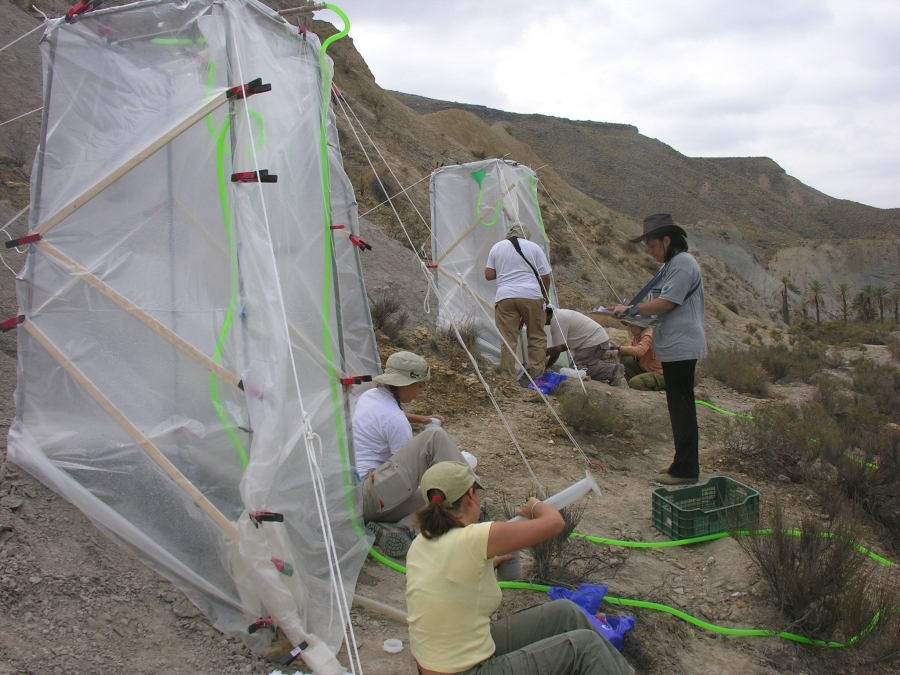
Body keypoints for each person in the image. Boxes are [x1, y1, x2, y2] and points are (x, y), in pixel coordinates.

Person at [406, 461, 634, 675]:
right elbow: (555, 524)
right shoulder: (474, 537)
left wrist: (489, 564)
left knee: (566, 612)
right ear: (469, 497)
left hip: (444, 661)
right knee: (586, 647)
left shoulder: (422, 542)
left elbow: (448, 577)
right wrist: (537, 507)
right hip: (467, 670)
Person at [613, 214, 706, 486]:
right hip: (676, 344)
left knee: (682, 405)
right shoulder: (674, 265)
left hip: (682, 344)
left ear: (667, 240)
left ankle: (687, 470)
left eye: (653, 246)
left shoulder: (683, 264)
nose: (651, 253)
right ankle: (681, 463)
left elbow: (666, 303)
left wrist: (633, 309)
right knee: (678, 404)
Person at [353, 351, 470, 556]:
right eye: (419, 385)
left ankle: (401, 528)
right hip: (373, 493)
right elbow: (410, 477)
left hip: (362, 498)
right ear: (403, 384)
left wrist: (422, 419)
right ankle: (471, 493)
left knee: (443, 501)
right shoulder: (396, 421)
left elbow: (388, 416)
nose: (421, 392)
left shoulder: (369, 396)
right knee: (435, 440)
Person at [485, 223, 552, 382]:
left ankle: (508, 379)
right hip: (531, 295)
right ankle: (537, 378)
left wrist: (506, 272)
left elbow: (488, 274)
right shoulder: (534, 247)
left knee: (508, 339)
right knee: (536, 336)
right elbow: (546, 276)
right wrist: (545, 296)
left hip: (505, 297)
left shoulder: (497, 247)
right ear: (525, 235)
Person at [545, 307, 624, 386]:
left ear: (545, 314)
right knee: (577, 368)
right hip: (595, 340)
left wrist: (546, 366)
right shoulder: (559, 314)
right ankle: (610, 371)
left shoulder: (557, 321)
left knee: (577, 370)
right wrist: (550, 351)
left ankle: (612, 370)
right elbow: (566, 345)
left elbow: (557, 350)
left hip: (595, 341)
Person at [615, 318, 665, 391]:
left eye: (632, 326)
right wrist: (610, 352)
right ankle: (638, 382)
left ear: (640, 326)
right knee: (625, 358)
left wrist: (618, 346)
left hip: (659, 373)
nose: (630, 329)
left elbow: (639, 352)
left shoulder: (648, 335)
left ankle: (649, 386)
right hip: (647, 369)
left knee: (635, 383)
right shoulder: (637, 336)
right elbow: (629, 351)